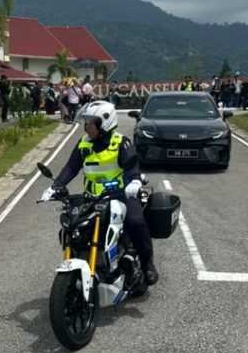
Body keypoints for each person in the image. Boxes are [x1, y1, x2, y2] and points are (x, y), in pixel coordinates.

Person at [40, 100, 159, 285]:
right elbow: (71, 168)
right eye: (86, 122)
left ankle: (147, 264)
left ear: (104, 123)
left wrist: (135, 181)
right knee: (75, 226)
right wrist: (56, 186)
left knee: (135, 221)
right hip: (92, 198)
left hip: (121, 195)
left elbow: (131, 166)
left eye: (90, 123)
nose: (86, 127)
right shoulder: (83, 144)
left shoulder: (121, 143)